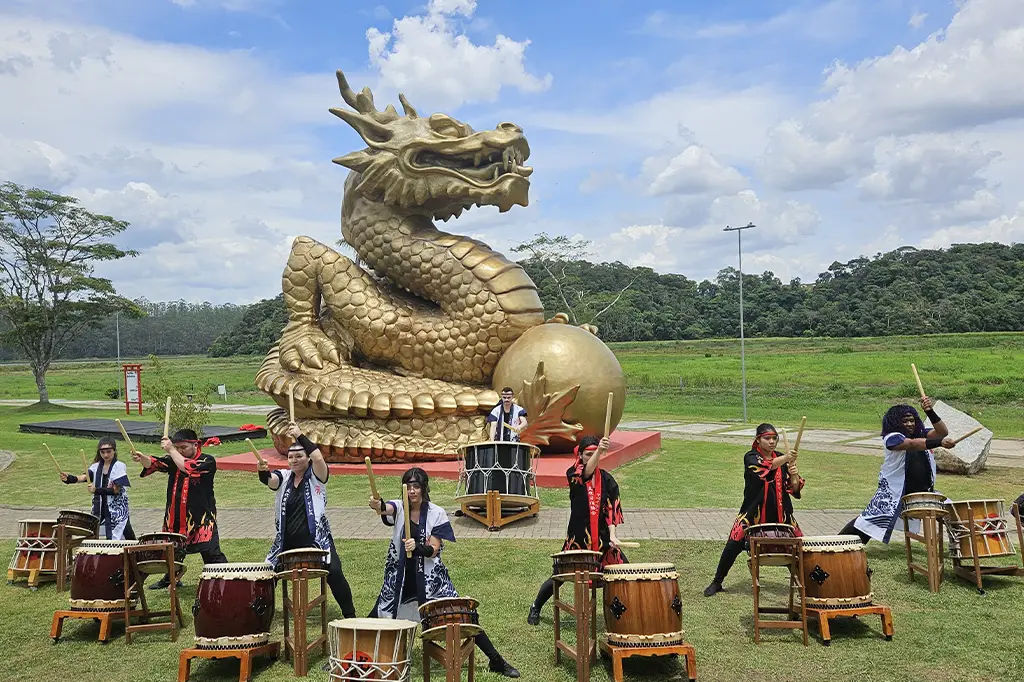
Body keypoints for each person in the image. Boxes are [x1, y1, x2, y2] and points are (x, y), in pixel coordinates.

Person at [368, 467, 520, 678]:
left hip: (432, 581)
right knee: (376, 617)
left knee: (464, 617)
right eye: (408, 487)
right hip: (399, 580)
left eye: (416, 487)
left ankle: (496, 660)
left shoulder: (436, 513)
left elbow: (433, 549)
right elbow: (388, 508)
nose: (412, 491)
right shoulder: (400, 507)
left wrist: (417, 547)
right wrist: (379, 505)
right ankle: (352, 657)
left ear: (424, 488)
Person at [260, 421, 356, 618]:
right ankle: (261, 617)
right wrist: (262, 471)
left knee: (335, 573)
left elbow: (319, 457)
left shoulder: (317, 476)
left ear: (307, 459)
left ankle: (351, 616)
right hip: (286, 543)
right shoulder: (285, 476)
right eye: (290, 457)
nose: (294, 460)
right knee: (265, 576)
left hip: (317, 541)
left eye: (299, 456)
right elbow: (270, 480)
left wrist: (300, 435)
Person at [528, 435, 626, 624]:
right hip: (578, 539)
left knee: (624, 573)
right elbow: (586, 473)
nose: (591, 457)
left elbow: (611, 510)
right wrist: (599, 450)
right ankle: (536, 606)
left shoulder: (607, 479)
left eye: (594, 453)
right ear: (580, 455)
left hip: (602, 540)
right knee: (559, 577)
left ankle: (619, 613)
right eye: (588, 454)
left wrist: (613, 536)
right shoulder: (574, 474)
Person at [703, 422, 804, 597]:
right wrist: (787, 458)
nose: (771, 442)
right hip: (753, 512)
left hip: (782, 513)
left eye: (774, 438)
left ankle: (806, 582)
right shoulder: (751, 457)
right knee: (733, 543)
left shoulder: (782, 458)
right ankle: (717, 581)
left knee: (801, 547)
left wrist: (793, 473)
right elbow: (766, 467)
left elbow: (793, 488)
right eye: (767, 438)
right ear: (758, 440)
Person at [839, 397, 955, 544]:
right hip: (894, 493)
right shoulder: (892, 438)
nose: (910, 424)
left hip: (923, 493)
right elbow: (912, 444)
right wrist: (940, 443)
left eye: (912, 420)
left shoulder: (921, 434)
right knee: (868, 524)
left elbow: (942, 432)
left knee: (953, 512)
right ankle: (843, 544)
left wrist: (930, 411)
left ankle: (961, 547)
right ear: (895, 422)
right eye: (905, 421)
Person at [133, 428, 228, 589]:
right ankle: (170, 578)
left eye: (183, 447)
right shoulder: (174, 460)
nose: (180, 451)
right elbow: (156, 464)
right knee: (172, 552)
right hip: (176, 516)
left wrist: (171, 449)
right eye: (177, 448)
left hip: (201, 518)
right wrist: (143, 459)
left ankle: (225, 579)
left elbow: (188, 468)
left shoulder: (208, 461)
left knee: (211, 552)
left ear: (196, 445)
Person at [60, 437, 135, 540]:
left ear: (114, 451)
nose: (106, 455)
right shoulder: (95, 467)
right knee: (94, 534)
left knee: (125, 533)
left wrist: (96, 490)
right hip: (99, 508)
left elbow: (115, 490)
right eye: (103, 452)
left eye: (108, 451)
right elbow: (84, 477)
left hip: (117, 510)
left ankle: (134, 553)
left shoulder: (119, 466)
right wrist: (69, 478)